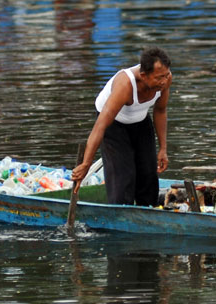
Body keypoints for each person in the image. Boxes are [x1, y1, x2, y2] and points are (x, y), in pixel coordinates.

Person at [72, 47, 172, 206]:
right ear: (144, 75)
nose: (164, 81)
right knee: (123, 178)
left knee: (148, 174)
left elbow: (160, 110)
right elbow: (100, 127)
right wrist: (86, 164)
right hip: (113, 125)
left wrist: (163, 149)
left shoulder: (165, 79)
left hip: (140, 121)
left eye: (166, 76)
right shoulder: (125, 85)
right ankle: (120, 213)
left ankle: (148, 213)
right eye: (159, 77)